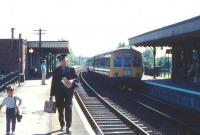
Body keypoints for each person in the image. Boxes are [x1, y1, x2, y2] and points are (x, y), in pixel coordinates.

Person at [50, 54, 78, 133]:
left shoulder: (72, 69)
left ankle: (68, 127)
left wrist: (72, 80)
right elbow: (53, 83)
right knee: (60, 110)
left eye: (65, 61)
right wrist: (51, 95)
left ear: (67, 61)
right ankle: (62, 124)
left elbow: (77, 78)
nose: (64, 62)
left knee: (68, 109)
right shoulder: (56, 70)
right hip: (59, 93)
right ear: (60, 62)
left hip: (69, 93)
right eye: (62, 61)